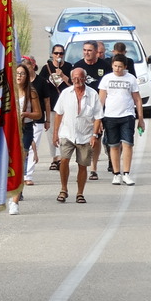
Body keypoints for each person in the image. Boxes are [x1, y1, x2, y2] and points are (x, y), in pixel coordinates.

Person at [52, 67, 103, 205]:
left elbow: (98, 117)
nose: (77, 80)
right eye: (74, 78)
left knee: (82, 165)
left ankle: (80, 193)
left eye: (80, 77)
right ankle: (63, 189)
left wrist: (94, 135)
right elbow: (58, 114)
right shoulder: (65, 93)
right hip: (67, 134)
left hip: (85, 135)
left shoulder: (92, 94)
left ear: (85, 78)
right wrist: (55, 133)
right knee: (64, 160)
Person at [98, 54, 145, 186]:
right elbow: (101, 100)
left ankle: (126, 173)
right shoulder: (106, 79)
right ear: (112, 65)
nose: (117, 69)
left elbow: (137, 99)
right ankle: (116, 174)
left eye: (120, 66)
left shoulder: (131, 79)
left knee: (128, 144)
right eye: (115, 66)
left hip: (127, 115)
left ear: (125, 67)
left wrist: (140, 118)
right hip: (110, 116)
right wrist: (98, 119)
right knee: (113, 146)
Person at [11, 61, 42, 213]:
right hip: (11, 128)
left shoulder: (32, 92)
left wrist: (26, 114)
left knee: (21, 160)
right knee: (10, 160)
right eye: (17, 73)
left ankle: (15, 201)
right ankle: (12, 188)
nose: (19, 76)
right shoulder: (9, 91)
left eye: (22, 74)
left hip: (25, 127)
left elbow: (38, 114)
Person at [74, 41, 108, 179]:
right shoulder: (78, 66)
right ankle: (83, 164)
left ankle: (93, 167)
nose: (86, 53)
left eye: (89, 50)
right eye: (84, 50)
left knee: (97, 137)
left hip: (100, 105)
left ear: (96, 51)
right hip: (82, 106)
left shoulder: (105, 66)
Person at [36, 45, 72, 173]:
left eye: (61, 53)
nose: (59, 56)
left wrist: (62, 75)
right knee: (52, 133)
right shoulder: (46, 68)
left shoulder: (68, 67)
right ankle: (55, 158)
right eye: (56, 53)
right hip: (51, 105)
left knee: (63, 132)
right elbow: (40, 84)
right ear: (52, 54)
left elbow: (72, 84)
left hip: (65, 105)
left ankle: (62, 157)